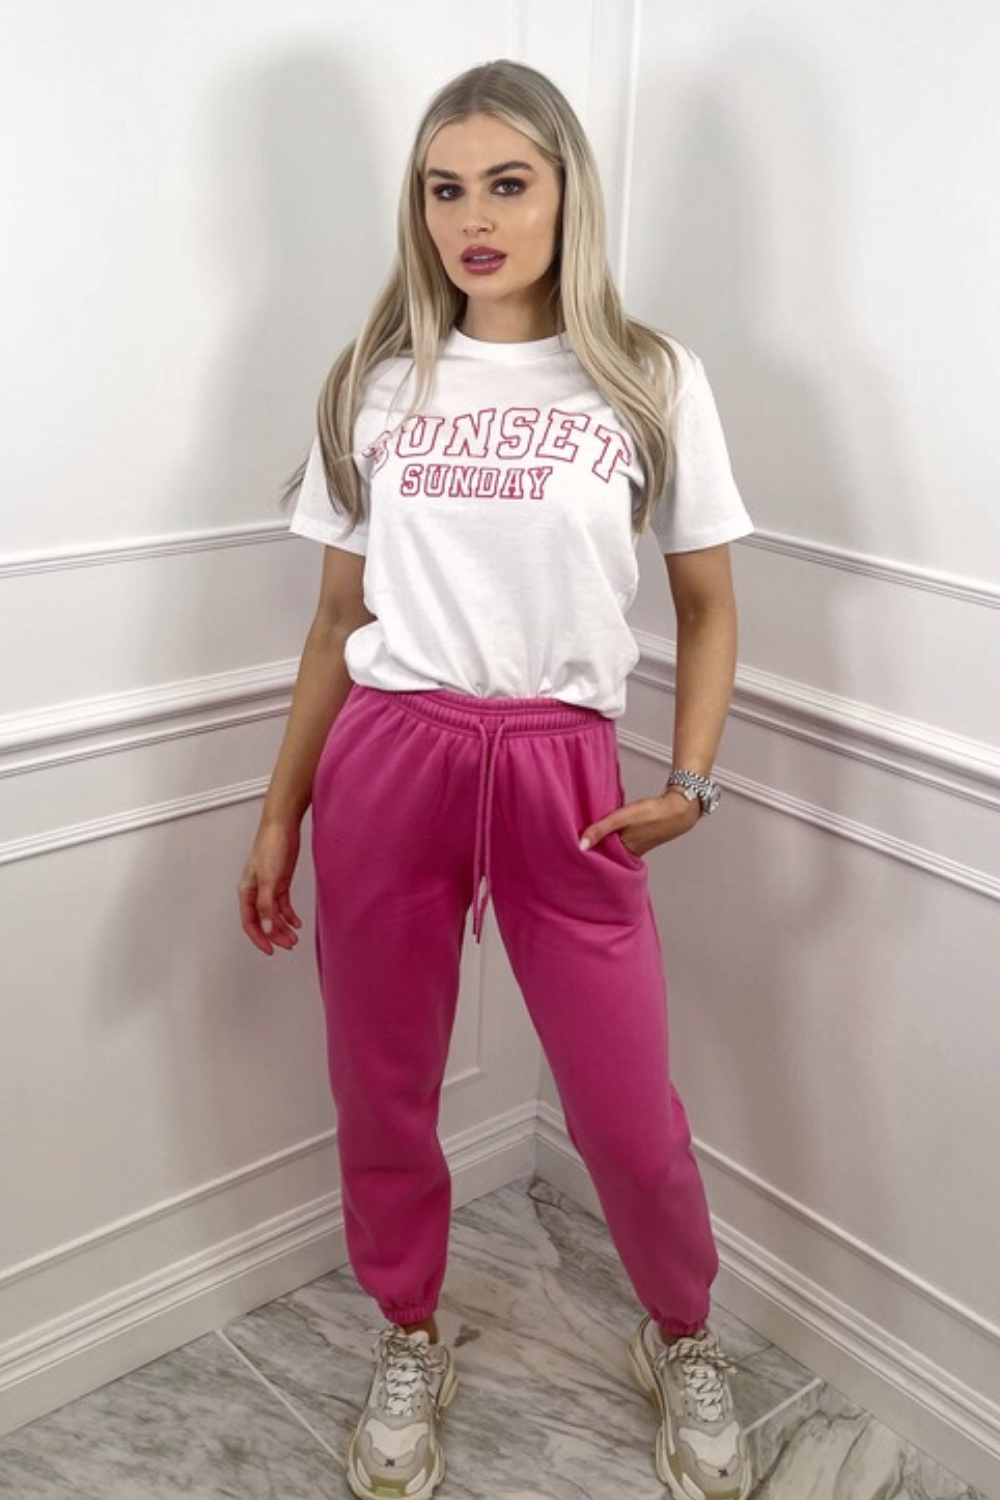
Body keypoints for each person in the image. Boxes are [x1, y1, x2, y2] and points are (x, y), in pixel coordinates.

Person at [238, 57, 754, 1500]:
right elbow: (334, 624)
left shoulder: (648, 377)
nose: (474, 218)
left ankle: (683, 1332)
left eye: (508, 184)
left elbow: (708, 605)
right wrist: (279, 812)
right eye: (444, 188)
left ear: (567, 192)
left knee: (627, 1114)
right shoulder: (376, 384)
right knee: (382, 1087)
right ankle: (409, 1330)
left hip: (563, 771)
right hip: (391, 754)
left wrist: (693, 781)